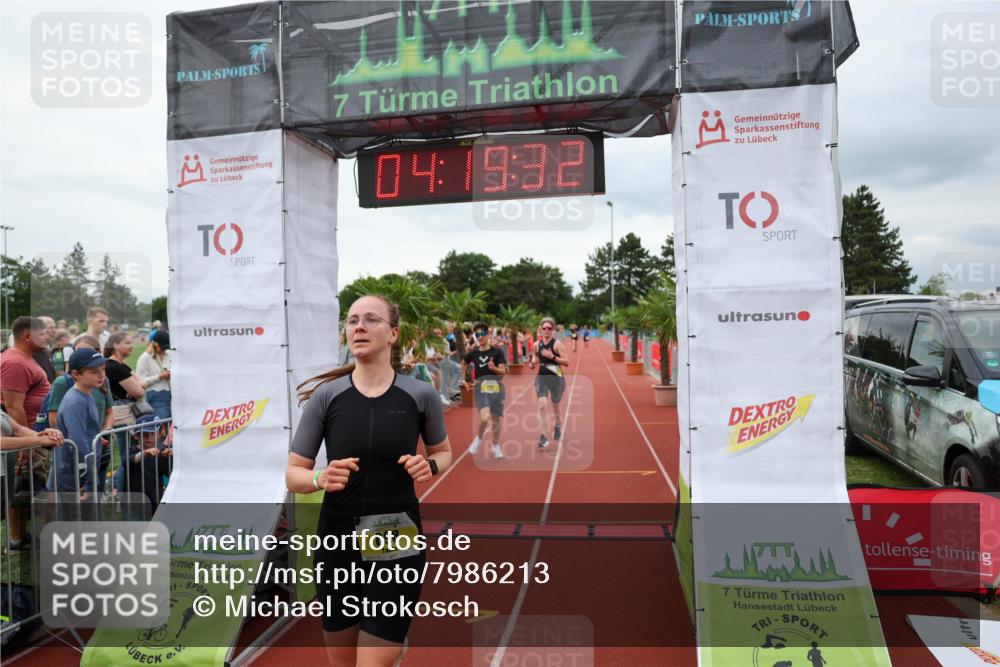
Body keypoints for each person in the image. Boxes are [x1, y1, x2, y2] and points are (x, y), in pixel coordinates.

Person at [286, 294, 452, 667]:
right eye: (352, 320)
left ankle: (387, 647)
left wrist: (431, 466)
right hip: (337, 541)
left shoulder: (420, 395)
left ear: (393, 334)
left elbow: (443, 452)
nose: (358, 326)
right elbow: (293, 474)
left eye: (371, 319)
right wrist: (319, 477)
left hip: (396, 537)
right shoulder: (326, 398)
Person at [1, 317, 52, 547]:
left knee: (27, 488)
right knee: (26, 488)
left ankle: (22, 538)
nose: (48, 336)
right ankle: (19, 538)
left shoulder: (25, 359)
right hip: (27, 436)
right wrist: (28, 444)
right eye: (43, 333)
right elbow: (13, 407)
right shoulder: (15, 362)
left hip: (33, 435)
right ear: (27, 336)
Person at [48, 336, 115, 492]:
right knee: (73, 515)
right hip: (74, 474)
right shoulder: (76, 402)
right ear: (76, 374)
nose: (101, 375)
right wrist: (89, 480)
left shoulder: (87, 394)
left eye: (103, 370)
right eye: (94, 372)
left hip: (81, 471)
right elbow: (79, 445)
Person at [462, 322, 507, 460]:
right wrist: (464, 380)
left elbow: (503, 372)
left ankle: (495, 445)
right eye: (477, 335)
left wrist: (494, 368)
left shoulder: (497, 351)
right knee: (484, 417)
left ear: (488, 334)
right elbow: (463, 363)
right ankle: (479, 438)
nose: (480, 337)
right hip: (481, 387)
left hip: (496, 387)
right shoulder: (473, 352)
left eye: (482, 334)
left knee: (495, 419)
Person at [530, 317, 569, 448]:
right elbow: (534, 357)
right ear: (540, 330)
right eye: (544, 328)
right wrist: (532, 363)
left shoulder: (557, 344)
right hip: (542, 377)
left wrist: (552, 356)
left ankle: (557, 424)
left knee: (556, 404)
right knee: (542, 405)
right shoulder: (536, 345)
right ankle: (543, 436)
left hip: (556, 378)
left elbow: (567, 362)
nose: (546, 330)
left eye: (549, 328)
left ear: (552, 330)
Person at [124, 414, 166, 510]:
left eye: (152, 433)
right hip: (135, 503)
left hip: (156, 500)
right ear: (136, 436)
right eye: (144, 434)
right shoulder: (132, 450)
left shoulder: (160, 453)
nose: (148, 437)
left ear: (160, 434)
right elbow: (128, 461)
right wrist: (145, 453)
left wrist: (169, 456)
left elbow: (169, 471)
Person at [136, 330, 172, 419]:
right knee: (161, 425)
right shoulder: (144, 358)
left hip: (172, 394)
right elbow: (140, 382)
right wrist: (159, 377)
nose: (164, 349)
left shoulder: (170, 354)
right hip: (156, 395)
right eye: (163, 347)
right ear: (155, 344)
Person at [33, 316, 58, 382]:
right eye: (51, 328)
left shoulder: (54, 347)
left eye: (55, 327)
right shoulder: (34, 352)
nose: (55, 331)